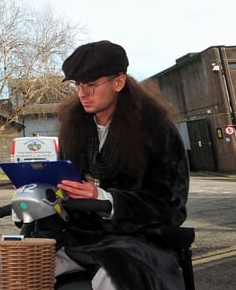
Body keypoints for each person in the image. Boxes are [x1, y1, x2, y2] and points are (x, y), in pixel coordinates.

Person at [55, 40, 190, 290]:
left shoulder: (156, 129)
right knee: (29, 257)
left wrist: (106, 199)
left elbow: (172, 205)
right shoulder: (73, 127)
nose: (82, 93)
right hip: (81, 238)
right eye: (78, 85)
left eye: (92, 85)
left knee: (115, 270)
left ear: (119, 82)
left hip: (138, 241)